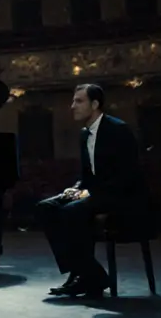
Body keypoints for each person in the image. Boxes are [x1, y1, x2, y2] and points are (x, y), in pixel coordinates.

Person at [35, 83, 149, 298]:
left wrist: (88, 194)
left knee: (70, 212)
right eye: (73, 101)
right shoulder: (84, 134)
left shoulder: (118, 130)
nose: (72, 106)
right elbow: (88, 176)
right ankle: (85, 273)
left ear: (95, 104)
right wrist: (76, 188)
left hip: (123, 196)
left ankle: (86, 275)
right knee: (45, 208)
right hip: (96, 194)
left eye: (79, 101)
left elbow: (127, 175)